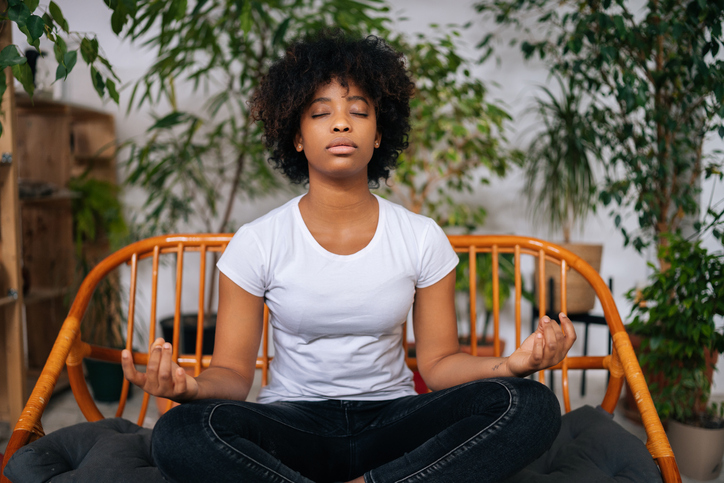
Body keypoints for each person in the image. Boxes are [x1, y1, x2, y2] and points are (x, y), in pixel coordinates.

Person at [121, 31, 576, 483]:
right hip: (292, 425)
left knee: (530, 404)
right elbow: (234, 376)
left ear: (379, 135)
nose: (341, 123)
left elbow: (438, 366)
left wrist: (512, 367)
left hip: (394, 422)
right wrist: (190, 387)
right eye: (320, 113)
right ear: (296, 138)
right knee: (179, 432)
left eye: (358, 111)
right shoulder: (258, 241)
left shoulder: (420, 236)